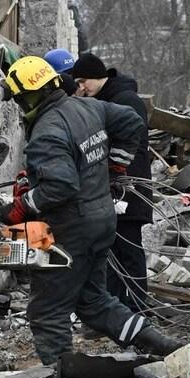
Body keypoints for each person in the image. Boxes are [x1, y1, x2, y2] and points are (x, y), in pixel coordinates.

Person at [0, 55, 182, 366]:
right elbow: (132, 121)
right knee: (94, 301)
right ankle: (162, 345)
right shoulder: (87, 106)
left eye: (19, 98)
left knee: (48, 309)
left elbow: (61, 186)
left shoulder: (47, 131)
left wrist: (21, 207)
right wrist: (116, 163)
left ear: (28, 96)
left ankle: (60, 377)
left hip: (70, 229)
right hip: (102, 220)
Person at [70, 52, 153, 312]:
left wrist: (116, 173)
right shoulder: (108, 99)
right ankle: (117, 310)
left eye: (84, 81)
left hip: (129, 187)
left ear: (97, 76)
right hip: (113, 188)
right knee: (112, 254)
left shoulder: (125, 100)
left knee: (129, 250)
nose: (81, 87)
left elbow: (133, 143)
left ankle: (139, 308)